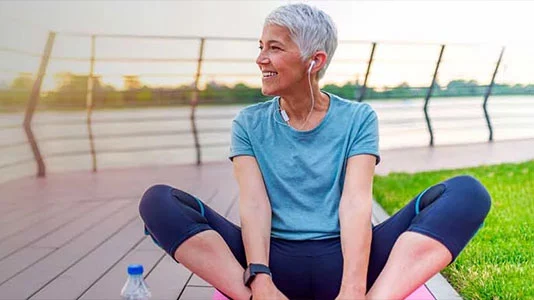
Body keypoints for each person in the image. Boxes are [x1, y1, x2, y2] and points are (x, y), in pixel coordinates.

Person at [139, 4, 491, 300]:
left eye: (274, 48)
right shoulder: (248, 123)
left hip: (347, 259)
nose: (261, 59)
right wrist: (260, 278)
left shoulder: (357, 117)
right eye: (261, 46)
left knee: (468, 192)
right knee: (157, 202)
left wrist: (352, 288)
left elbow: (355, 202)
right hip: (272, 263)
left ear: (314, 60)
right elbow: (254, 203)